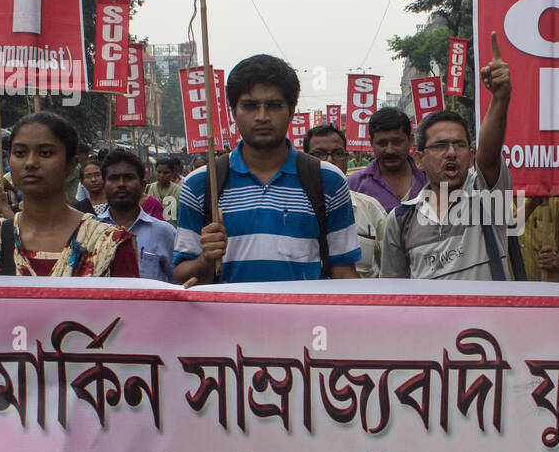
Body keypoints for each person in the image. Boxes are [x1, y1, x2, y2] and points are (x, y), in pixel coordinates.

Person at [174, 54, 360, 285]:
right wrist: (206, 258)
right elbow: (181, 276)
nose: (262, 117)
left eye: (273, 106)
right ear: (233, 111)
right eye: (250, 106)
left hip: (305, 320)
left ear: (291, 111)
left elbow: (343, 272)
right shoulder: (201, 184)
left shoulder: (327, 180)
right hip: (226, 320)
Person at [380, 33, 512, 281]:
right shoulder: (400, 219)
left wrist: (500, 98)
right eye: (440, 145)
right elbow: (394, 296)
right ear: (419, 158)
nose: (451, 153)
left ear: (471, 155)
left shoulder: (488, 199)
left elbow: (490, 155)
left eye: (459, 145)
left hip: (489, 321)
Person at [0, 112, 138, 277]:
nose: (30, 163)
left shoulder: (109, 244)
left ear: (71, 165)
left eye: (45, 153)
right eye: (20, 153)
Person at [304, 123, 386, 278]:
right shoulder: (289, 208)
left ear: (347, 159)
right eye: (319, 154)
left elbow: (392, 269)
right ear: (304, 158)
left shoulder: (370, 208)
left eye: (338, 154)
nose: (329, 160)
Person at [99, 148, 177, 284]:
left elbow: (178, 282)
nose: (121, 184)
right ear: (103, 185)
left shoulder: (164, 232)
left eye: (128, 178)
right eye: (113, 178)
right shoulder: (90, 232)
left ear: (142, 186)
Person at [348, 107, 429, 213]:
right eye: (382, 143)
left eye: (396, 142)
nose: (390, 150)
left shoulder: (431, 178)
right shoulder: (354, 185)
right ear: (372, 143)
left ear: (410, 141)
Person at [145, 156, 183, 226]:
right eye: (159, 172)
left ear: (172, 173)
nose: (162, 175)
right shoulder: (148, 189)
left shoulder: (179, 191)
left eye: (166, 173)